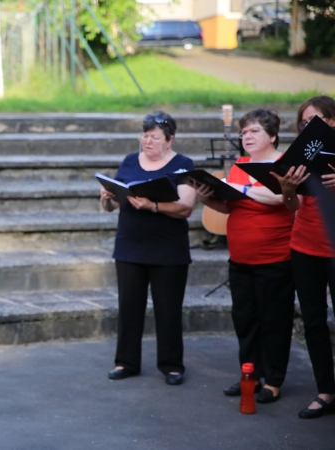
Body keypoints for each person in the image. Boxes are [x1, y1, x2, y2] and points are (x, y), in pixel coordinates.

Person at [192, 109, 295, 405]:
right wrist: (209, 197)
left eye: (254, 132)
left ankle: (274, 381)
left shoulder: (282, 165)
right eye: (244, 132)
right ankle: (250, 374)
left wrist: (242, 187)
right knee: (245, 320)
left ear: (272, 136)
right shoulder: (239, 164)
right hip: (240, 257)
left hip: (274, 257)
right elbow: (230, 207)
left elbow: (280, 199)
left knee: (274, 321)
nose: (246, 137)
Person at [100, 111, 196, 385]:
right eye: (145, 135)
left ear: (170, 139)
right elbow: (112, 205)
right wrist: (106, 198)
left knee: (168, 309)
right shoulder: (130, 161)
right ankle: (125, 362)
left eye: (154, 136)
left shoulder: (183, 164)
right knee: (129, 307)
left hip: (168, 249)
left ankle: (172, 365)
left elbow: (186, 207)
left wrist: (154, 206)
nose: (148, 141)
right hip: (130, 246)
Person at [272, 95, 335, 419]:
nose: (308, 127)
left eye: (316, 121)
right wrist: (287, 188)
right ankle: (326, 390)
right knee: (313, 321)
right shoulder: (300, 155)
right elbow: (292, 206)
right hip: (305, 246)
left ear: (333, 121)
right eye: (303, 123)